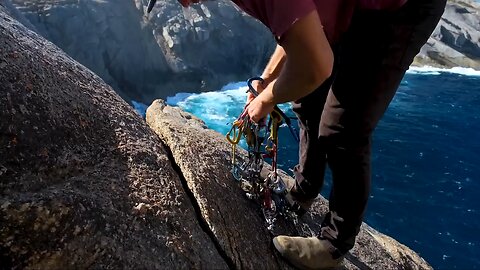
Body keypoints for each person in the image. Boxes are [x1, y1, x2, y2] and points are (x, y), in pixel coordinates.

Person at [159, 0, 447, 268]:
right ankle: (304, 190)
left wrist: (266, 99)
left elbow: (314, 65)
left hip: (400, 9)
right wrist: (266, 82)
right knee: (308, 102)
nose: (181, 3)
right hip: (356, 6)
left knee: (342, 131)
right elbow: (302, 28)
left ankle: (333, 245)